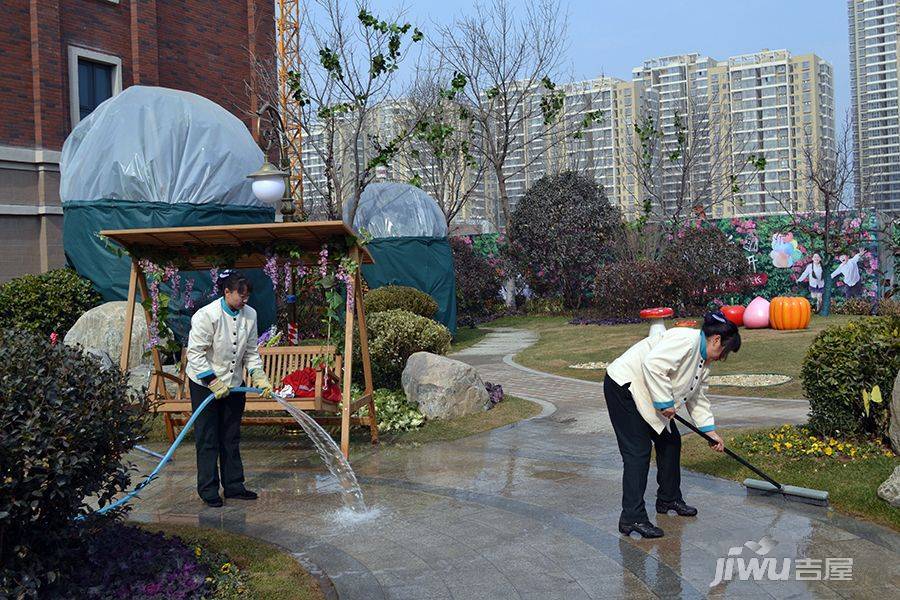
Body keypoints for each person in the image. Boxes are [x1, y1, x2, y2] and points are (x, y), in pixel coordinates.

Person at [604, 311, 740, 539]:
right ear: (716, 340)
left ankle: (668, 498)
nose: (721, 357)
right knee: (638, 452)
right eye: (724, 352)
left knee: (670, 442)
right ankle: (631, 518)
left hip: (647, 393)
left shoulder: (703, 362)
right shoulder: (685, 340)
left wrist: (710, 432)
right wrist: (665, 401)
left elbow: (698, 398)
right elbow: (653, 364)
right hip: (624, 387)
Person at [186, 270, 274, 507]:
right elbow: (195, 354)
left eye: (247, 296)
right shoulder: (207, 316)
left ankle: (234, 486)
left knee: (230, 437)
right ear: (227, 292)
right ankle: (208, 490)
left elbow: (251, 352)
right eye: (240, 296)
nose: (245, 301)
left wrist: (259, 376)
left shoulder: (250, 315)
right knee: (208, 438)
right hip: (205, 385)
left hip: (234, 386)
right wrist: (212, 381)